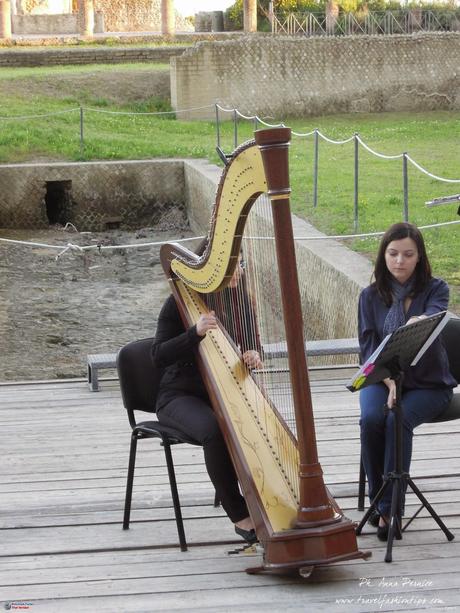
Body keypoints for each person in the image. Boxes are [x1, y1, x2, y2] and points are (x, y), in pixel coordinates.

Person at [151, 257, 262, 544]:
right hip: (178, 396)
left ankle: (266, 499)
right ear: (213, 271)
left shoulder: (239, 301)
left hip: (223, 391)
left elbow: (252, 342)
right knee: (215, 430)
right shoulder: (177, 304)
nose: (239, 271)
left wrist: (252, 354)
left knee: (255, 423)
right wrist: (194, 333)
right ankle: (239, 514)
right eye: (233, 265)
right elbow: (158, 355)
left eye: (241, 265)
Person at [358, 222, 456, 541]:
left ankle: (390, 510)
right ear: (383, 255)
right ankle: (378, 499)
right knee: (372, 418)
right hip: (381, 379)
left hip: (429, 382)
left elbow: (431, 318)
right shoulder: (369, 296)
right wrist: (389, 383)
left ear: (419, 257)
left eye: (408, 254)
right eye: (393, 253)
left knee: (396, 421)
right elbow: (369, 349)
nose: (399, 261)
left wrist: (418, 321)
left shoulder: (436, 288)